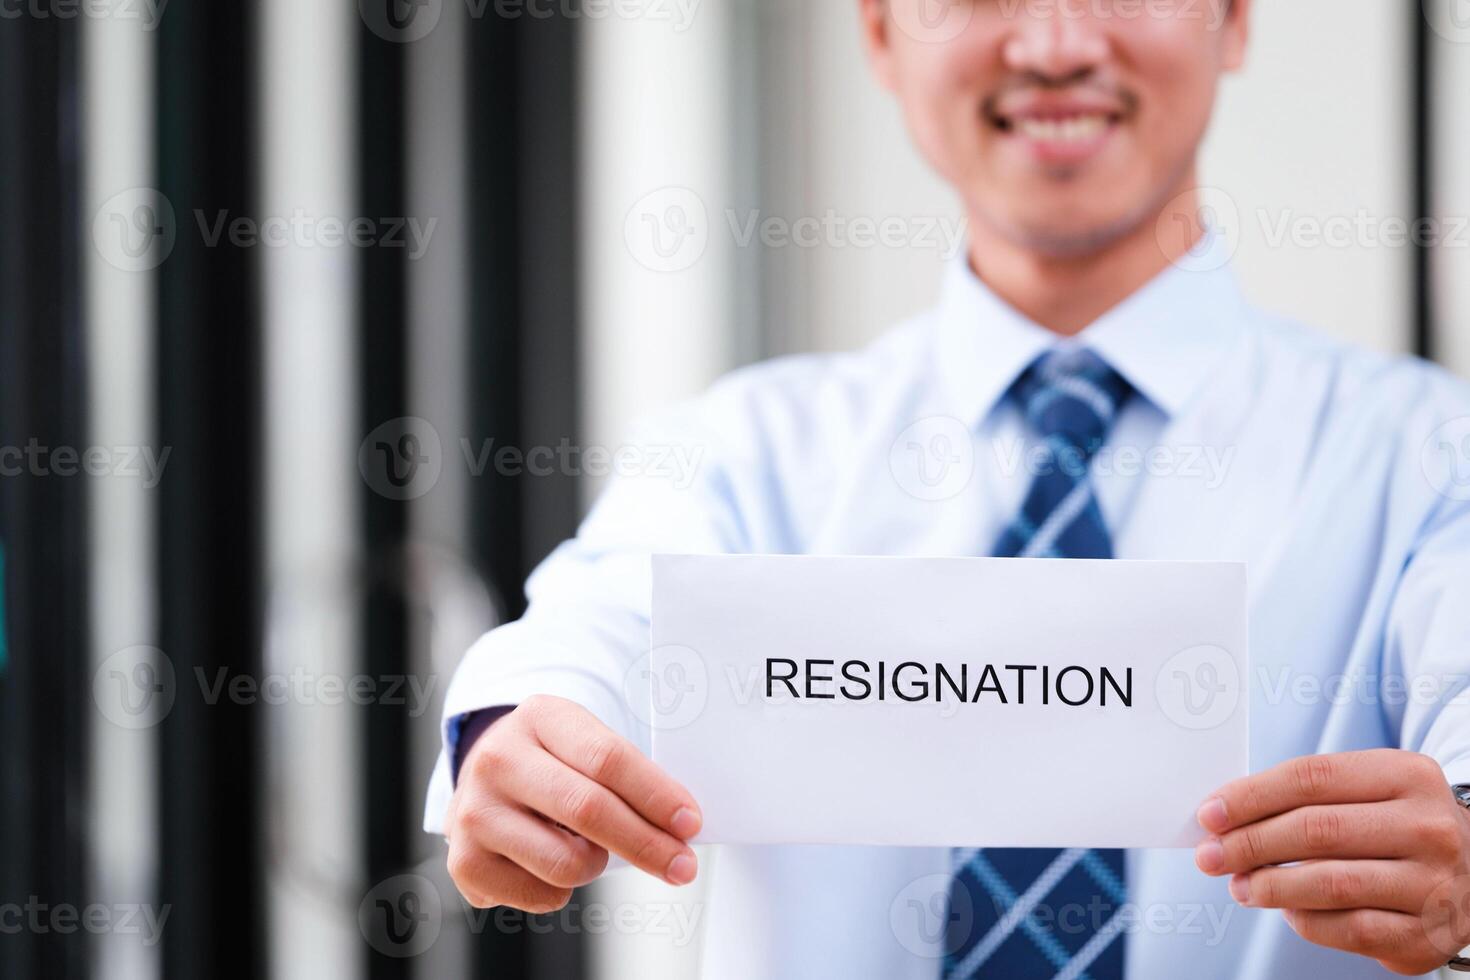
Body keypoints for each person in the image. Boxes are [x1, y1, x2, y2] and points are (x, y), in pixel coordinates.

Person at [424, 1, 1470, 976]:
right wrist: (522, 737)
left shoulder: (1431, 456)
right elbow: (592, 630)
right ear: (881, 32)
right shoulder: (741, 453)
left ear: (1234, 18)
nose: (1055, 45)